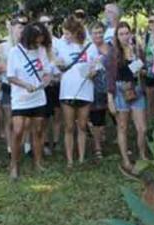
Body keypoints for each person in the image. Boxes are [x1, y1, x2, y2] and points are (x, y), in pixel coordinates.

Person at [7, 22, 52, 180]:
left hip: (38, 98)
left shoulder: (41, 50)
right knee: (18, 131)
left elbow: (47, 71)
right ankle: (14, 165)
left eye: (41, 39)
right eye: (37, 40)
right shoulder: (15, 52)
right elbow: (10, 76)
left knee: (38, 131)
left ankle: (38, 163)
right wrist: (26, 85)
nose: (39, 43)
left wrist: (46, 80)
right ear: (29, 38)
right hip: (20, 99)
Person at [56, 15, 98, 169]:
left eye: (68, 33)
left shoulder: (89, 46)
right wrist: (58, 64)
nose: (65, 36)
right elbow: (55, 63)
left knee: (82, 125)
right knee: (68, 126)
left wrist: (93, 71)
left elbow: (96, 66)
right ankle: (69, 160)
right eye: (64, 33)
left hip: (85, 90)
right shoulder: (61, 45)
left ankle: (81, 158)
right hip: (67, 90)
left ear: (75, 32)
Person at [106, 21, 147, 174]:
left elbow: (144, 70)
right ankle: (126, 160)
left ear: (130, 34)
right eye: (121, 34)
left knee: (142, 128)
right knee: (122, 127)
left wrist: (142, 71)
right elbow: (110, 77)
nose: (124, 36)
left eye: (126, 33)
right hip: (120, 90)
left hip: (136, 89)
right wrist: (110, 99)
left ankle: (142, 155)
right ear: (117, 36)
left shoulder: (137, 49)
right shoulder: (114, 53)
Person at [0, 15, 28, 157]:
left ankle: (26, 145)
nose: (21, 30)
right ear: (12, 27)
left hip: (24, 87)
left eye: (23, 27)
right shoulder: (3, 46)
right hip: (8, 86)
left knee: (25, 119)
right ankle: (10, 148)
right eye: (19, 27)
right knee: (9, 119)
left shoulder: (28, 44)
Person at [38, 13, 62, 155]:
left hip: (58, 83)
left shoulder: (59, 42)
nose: (46, 26)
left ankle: (57, 142)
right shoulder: (37, 44)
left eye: (49, 23)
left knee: (58, 114)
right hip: (44, 84)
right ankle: (46, 142)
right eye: (43, 23)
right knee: (45, 116)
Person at [89, 21, 110, 160]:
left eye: (100, 32)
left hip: (109, 87)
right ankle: (97, 148)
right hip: (93, 88)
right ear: (91, 34)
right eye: (95, 32)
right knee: (96, 119)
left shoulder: (110, 48)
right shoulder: (87, 48)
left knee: (111, 117)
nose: (98, 35)